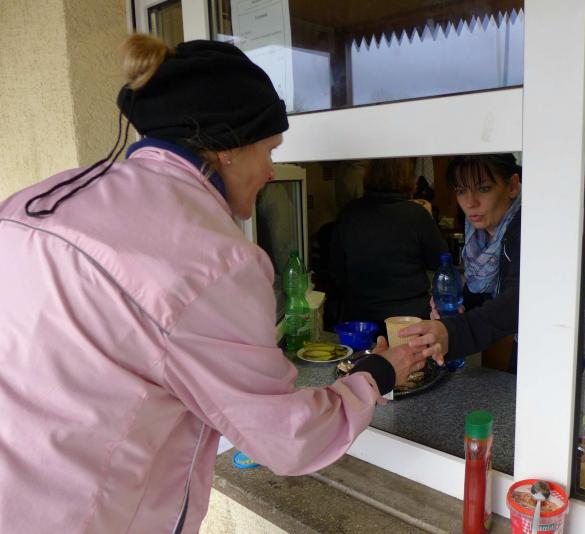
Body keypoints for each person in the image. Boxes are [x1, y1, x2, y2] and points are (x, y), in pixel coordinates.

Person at [0, 34, 427, 533]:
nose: (271, 172)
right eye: (269, 150)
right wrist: (375, 375)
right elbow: (286, 437)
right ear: (227, 147)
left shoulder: (33, 203)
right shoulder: (214, 259)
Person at [401, 154, 522, 372]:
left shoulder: (528, 228)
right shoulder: (480, 235)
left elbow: (518, 301)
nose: (470, 203)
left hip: (549, 348)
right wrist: (457, 306)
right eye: (461, 191)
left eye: (484, 189)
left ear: (512, 186)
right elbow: (484, 292)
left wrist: (452, 331)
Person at [329, 157, 448, 330]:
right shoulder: (417, 215)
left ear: (368, 174)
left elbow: (336, 272)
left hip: (362, 322)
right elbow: (440, 262)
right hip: (410, 321)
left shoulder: (349, 214)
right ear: (407, 177)